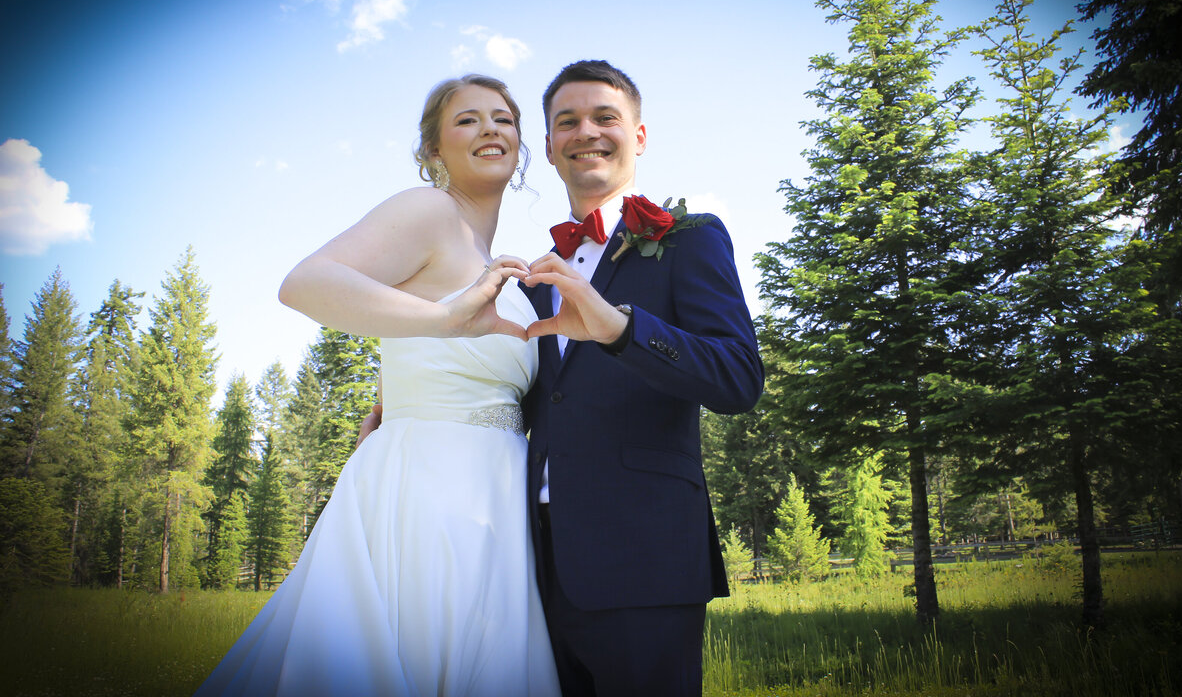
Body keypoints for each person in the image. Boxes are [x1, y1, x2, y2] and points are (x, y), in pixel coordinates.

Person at [194, 75, 561, 697]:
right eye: (467, 120)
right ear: (432, 152)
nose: (490, 128)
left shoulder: (497, 258)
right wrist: (443, 320)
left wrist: (388, 397)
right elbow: (305, 282)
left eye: (503, 118)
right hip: (428, 488)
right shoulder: (427, 211)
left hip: (497, 490)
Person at [519, 60, 764, 696]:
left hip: (645, 558)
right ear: (548, 146)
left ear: (639, 135)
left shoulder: (690, 239)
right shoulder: (539, 275)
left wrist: (622, 330)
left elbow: (739, 377)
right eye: (566, 122)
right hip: (530, 567)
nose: (586, 132)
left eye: (606, 117)